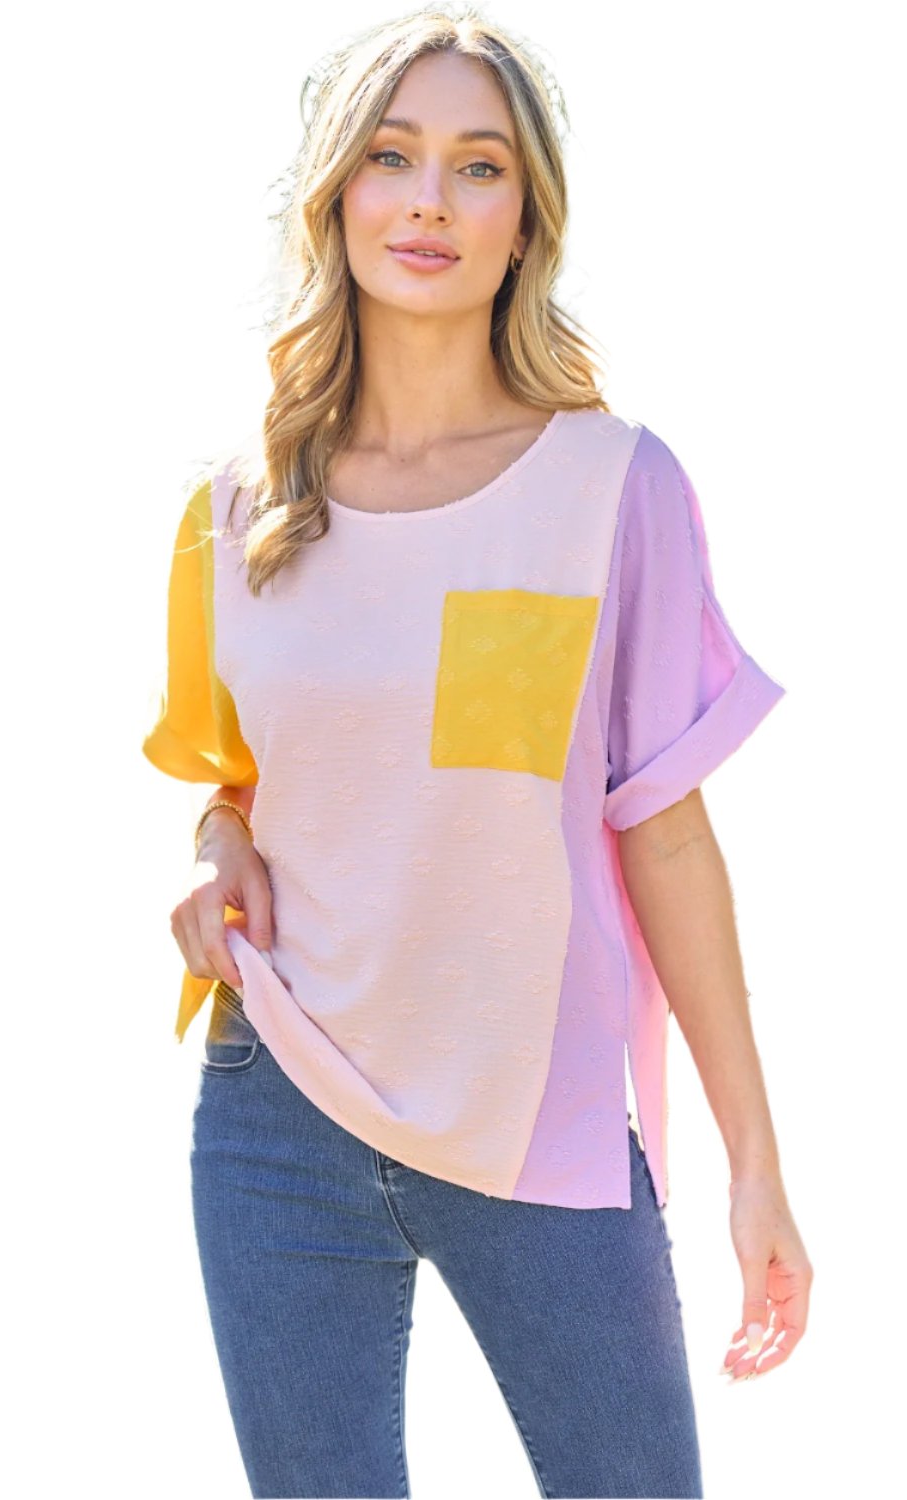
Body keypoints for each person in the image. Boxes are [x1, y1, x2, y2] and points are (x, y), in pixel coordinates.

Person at [141, 8, 813, 1497]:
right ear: (338, 196)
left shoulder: (615, 489)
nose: (430, 201)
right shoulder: (237, 511)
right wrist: (215, 843)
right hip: (277, 1111)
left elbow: (665, 831)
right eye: (391, 158)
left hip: (538, 1125)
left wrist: (753, 1165)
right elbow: (242, 784)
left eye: (479, 165)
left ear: (526, 221)